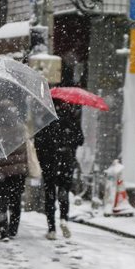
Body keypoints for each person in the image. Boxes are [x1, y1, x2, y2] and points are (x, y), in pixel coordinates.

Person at [34, 99, 84, 240]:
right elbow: (81, 140)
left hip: (50, 163)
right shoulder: (71, 119)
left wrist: (43, 160)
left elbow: (38, 143)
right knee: (64, 192)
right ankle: (64, 219)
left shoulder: (46, 120)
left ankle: (52, 229)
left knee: (50, 195)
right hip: (66, 162)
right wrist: (69, 142)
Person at [0, 143, 28, 240]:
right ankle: (13, 230)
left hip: (1, 174)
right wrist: (24, 170)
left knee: (1, 204)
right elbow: (25, 155)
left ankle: (3, 231)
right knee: (15, 202)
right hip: (17, 173)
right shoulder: (20, 132)